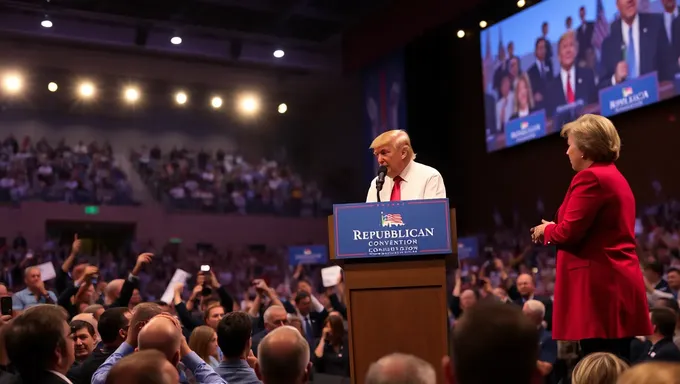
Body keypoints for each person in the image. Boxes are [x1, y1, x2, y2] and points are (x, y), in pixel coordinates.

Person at [530, 114, 651, 360]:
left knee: (599, 363)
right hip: (614, 282)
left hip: (599, 288)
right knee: (617, 361)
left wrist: (546, 231)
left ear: (584, 149)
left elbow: (569, 232)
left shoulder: (590, 178)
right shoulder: (614, 176)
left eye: (570, 145)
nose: (567, 152)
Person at [366, 130, 445, 202]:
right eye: (377, 154)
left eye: (384, 153)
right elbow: (369, 216)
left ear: (403, 153)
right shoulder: (377, 184)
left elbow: (433, 216)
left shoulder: (430, 177)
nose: (379, 160)